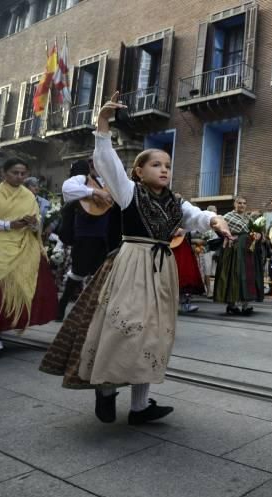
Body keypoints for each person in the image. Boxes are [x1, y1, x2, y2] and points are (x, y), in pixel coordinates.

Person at [39, 92, 233, 425]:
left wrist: (217, 221)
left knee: (154, 333)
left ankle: (140, 407)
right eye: (156, 164)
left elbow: (197, 216)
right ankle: (105, 390)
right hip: (131, 264)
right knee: (123, 327)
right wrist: (102, 124)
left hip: (161, 269)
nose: (164, 170)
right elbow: (108, 163)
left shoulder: (175, 202)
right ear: (139, 171)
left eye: (168, 166)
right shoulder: (128, 192)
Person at [0, 158, 58, 357]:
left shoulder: (28, 196)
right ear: (4, 173)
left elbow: (37, 223)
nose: (19, 177)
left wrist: (33, 224)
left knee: (30, 274)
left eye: (22, 173)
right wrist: (9, 225)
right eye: (15, 173)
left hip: (22, 243)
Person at [56, 159, 115, 321]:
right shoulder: (83, 179)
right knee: (78, 272)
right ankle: (62, 306)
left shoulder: (112, 183)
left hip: (107, 236)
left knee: (101, 274)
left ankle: (94, 313)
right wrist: (94, 192)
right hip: (86, 233)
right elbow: (67, 189)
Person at [214, 196, 262, 315]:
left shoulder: (248, 218)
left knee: (248, 276)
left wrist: (257, 235)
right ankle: (232, 304)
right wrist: (227, 235)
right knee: (234, 275)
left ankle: (246, 305)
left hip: (247, 250)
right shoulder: (227, 217)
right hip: (233, 250)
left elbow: (253, 232)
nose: (242, 205)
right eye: (239, 203)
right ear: (234, 204)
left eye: (244, 203)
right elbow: (217, 229)